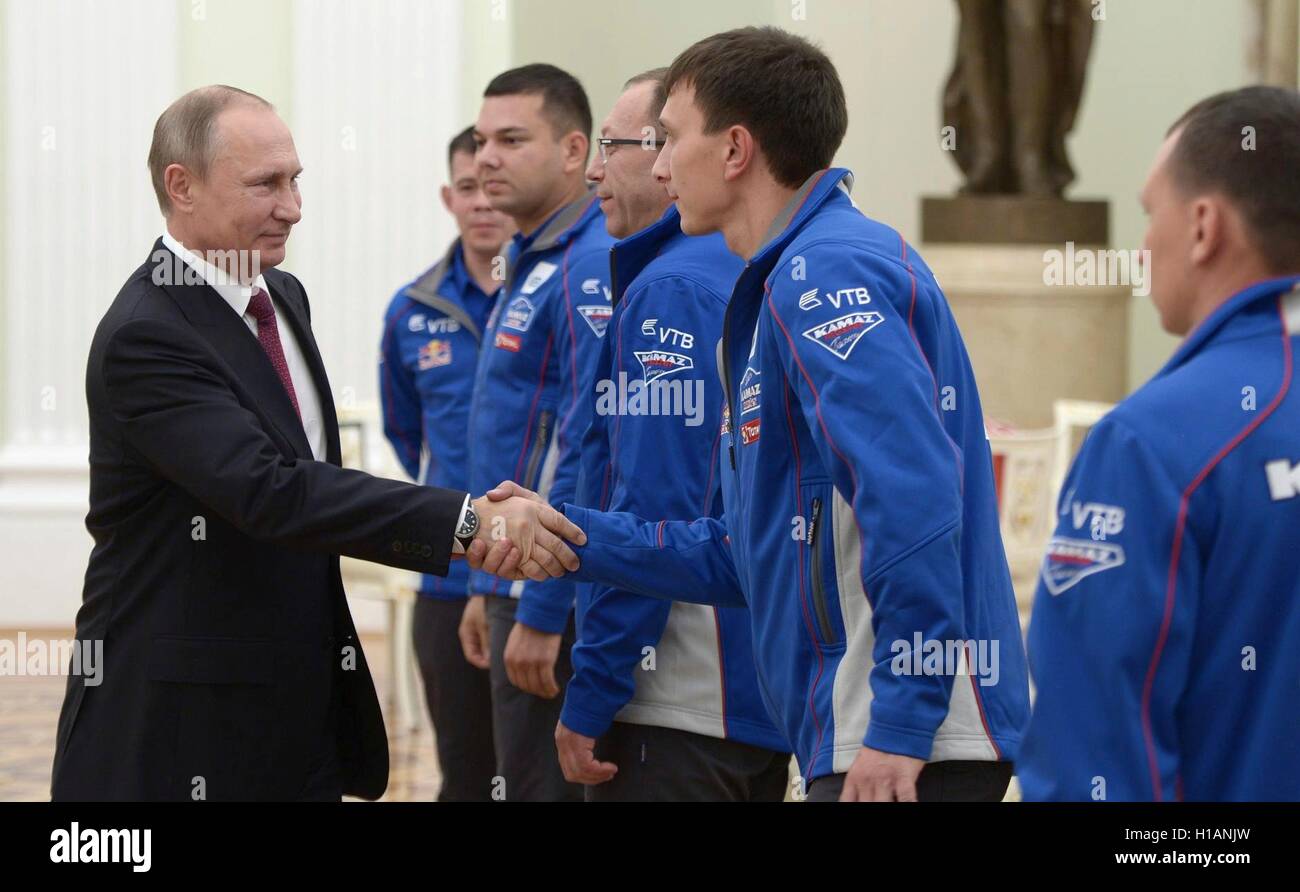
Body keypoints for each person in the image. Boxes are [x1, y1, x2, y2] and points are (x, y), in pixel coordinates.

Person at [485, 27, 1029, 802]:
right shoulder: (785, 277)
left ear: (735, 150)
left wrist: (903, 720)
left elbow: (914, 496)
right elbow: (746, 554)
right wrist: (568, 535)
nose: (660, 165)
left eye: (669, 139)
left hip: (905, 738)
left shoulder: (826, 272)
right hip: (858, 728)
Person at [50, 85, 584, 802]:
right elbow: (273, 491)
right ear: (182, 186)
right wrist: (466, 520)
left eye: (295, 179)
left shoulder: (283, 296)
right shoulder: (150, 333)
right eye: (265, 184)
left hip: (292, 708)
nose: (293, 206)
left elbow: (310, 475)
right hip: (183, 723)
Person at [1018, 86, 1300, 802]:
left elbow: (1095, 759)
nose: (1142, 247)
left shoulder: (1151, 443)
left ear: (1203, 226)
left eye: (1150, 215)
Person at [555, 69, 792, 801]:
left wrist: (594, 687)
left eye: (618, 145)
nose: (596, 169)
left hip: (683, 699)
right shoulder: (752, 264)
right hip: (763, 696)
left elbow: (657, 509)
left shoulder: (672, 288)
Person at [459, 64, 614, 801]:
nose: (486, 157)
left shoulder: (587, 262)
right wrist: (479, 582)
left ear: (574, 150)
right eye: (484, 139)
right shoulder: (532, 257)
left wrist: (541, 610)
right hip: (507, 574)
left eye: (512, 139)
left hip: (547, 585)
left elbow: (588, 441)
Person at [379, 125, 513, 801]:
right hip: (449, 577)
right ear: (448, 197)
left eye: (495, 187)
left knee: (543, 770)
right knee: (465, 771)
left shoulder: (559, 291)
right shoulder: (411, 311)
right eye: (468, 188)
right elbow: (405, 434)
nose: (483, 202)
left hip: (538, 578)